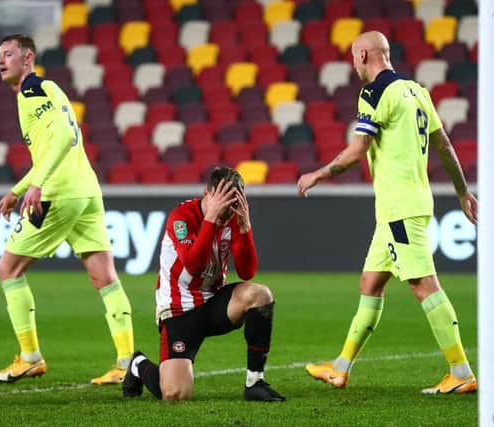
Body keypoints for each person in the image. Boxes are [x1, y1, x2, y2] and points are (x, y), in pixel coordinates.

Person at [297, 31, 478, 395]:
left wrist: (318, 173)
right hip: (402, 207)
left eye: (353, 57)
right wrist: (462, 191)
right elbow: (444, 144)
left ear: (363, 54)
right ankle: (340, 368)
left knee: (423, 285)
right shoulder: (416, 91)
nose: (352, 64)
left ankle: (460, 371)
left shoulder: (374, 92)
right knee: (371, 283)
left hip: (400, 208)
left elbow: (358, 148)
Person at [0, 34, 134, 385]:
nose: (1, 60)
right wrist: (18, 189)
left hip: (58, 194)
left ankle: (30, 357)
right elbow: (60, 142)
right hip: (85, 190)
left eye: (9, 54)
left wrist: (37, 187)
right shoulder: (49, 90)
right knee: (104, 277)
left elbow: (64, 138)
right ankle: (127, 362)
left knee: (7, 270)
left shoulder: (32, 90)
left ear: (28, 58)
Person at [122, 167, 285, 402]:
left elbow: (247, 272)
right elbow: (193, 266)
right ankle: (138, 364)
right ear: (207, 194)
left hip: (214, 303)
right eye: (224, 202)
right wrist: (211, 220)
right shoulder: (182, 217)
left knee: (260, 295)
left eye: (234, 203)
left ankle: (255, 382)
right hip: (180, 310)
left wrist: (244, 226)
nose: (228, 211)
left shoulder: (233, 216)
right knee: (175, 394)